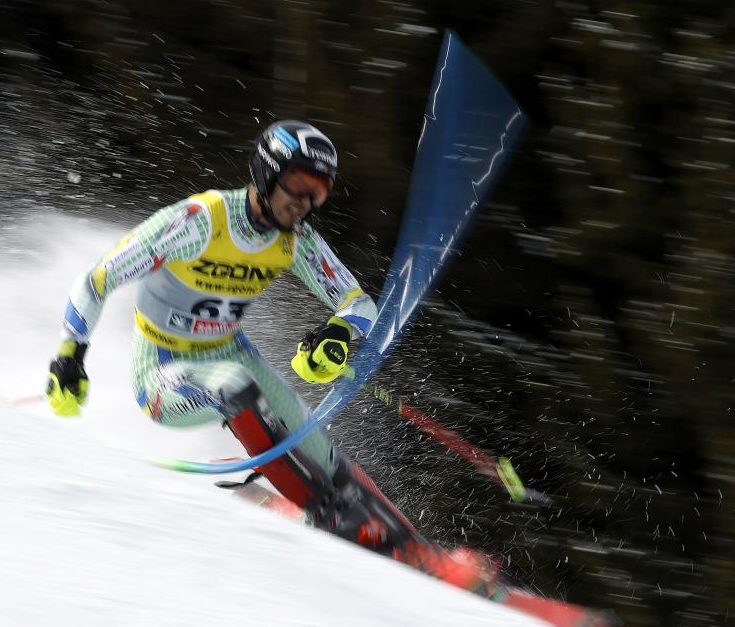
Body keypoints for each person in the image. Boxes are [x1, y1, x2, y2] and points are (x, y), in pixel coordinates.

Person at [43, 120, 493, 589]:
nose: (305, 202)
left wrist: (335, 334)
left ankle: (412, 544)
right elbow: (98, 279)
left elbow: (359, 305)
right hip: (163, 372)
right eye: (299, 184)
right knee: (236, 388)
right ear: (267, 172)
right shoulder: (201, 221)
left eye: (319, 192)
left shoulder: (292, 241)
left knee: (317, 443)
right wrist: (70, 355)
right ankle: (329, 515)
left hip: (231, 354)